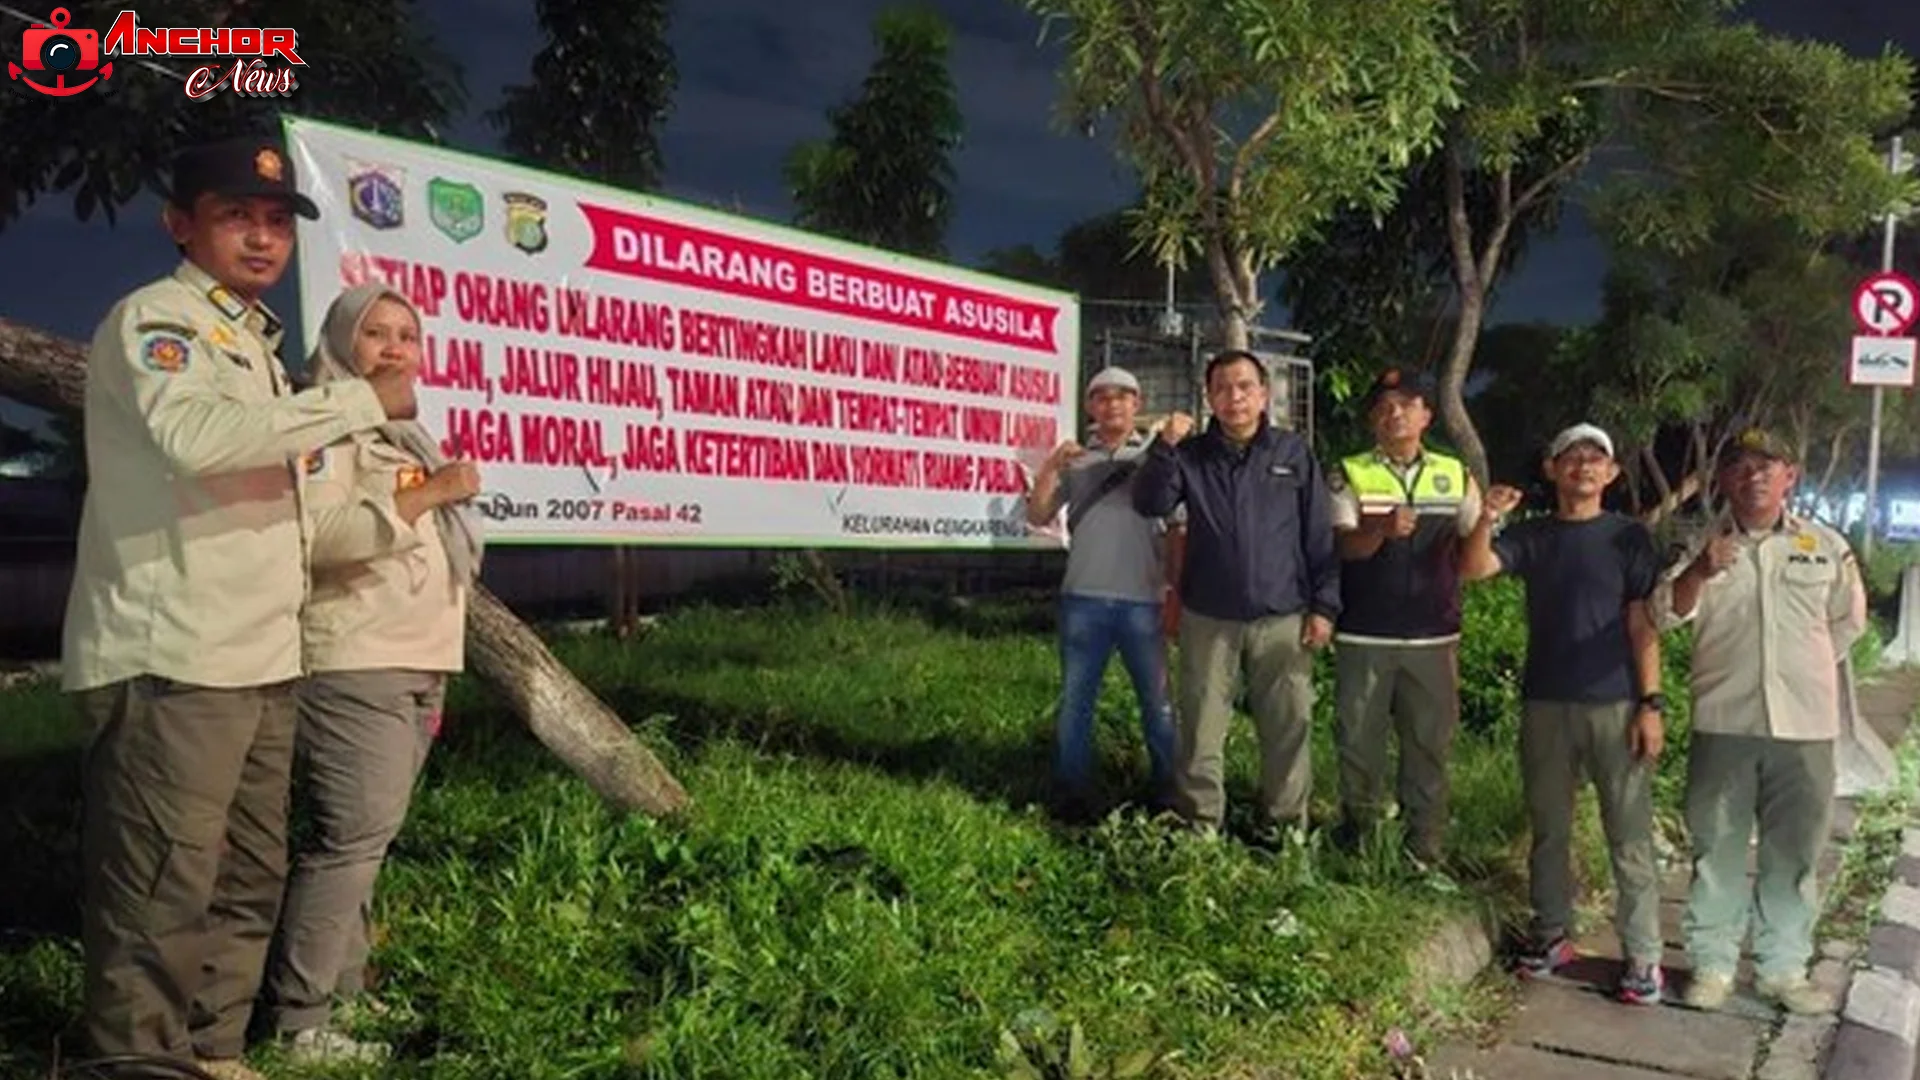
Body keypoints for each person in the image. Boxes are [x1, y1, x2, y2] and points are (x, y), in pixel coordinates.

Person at [61, 137, 416, 1080]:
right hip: (175, 653)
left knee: (245, 876)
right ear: (182, 224)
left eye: (273, 222)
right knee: (158, 891)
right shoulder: (156, 321)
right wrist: (353, 404)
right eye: (234, 216)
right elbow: (194, 437)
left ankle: (214, 1052)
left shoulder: (254, 347)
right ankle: (138, 1062)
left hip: (262, 658)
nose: (261, 238)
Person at [260, 283, 485, 1062]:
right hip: (354, 661)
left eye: (407, 336)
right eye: (376, 334)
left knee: (367, 840)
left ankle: (344, 998)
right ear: (340, 342)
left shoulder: (400, 436)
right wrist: (430, 498)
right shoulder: (322, 425)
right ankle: (300, 1024)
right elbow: (316, 537)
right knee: (347, 840)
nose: (395, 349)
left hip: (414, 661)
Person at [1652, 428, 1867, 1014]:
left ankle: (1782, 970)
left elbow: (1849, 623)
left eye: (1768, 466)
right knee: (1715, 849)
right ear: (1723, 480)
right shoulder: (1700, 542)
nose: (1755, 477)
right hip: (1725, 721)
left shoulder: (1825, 545)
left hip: (1805, 727)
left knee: (1794, 854)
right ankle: (1713, 967)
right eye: (1742, 467)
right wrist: (1700, 570)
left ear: (1790, 476)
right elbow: (1663, 614)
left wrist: (1805, 671)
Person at [1459, 423, 1667, 1006]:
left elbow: (1642, 624)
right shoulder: (1534, 535)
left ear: (1612, 473)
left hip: (1616, 702)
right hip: (1546, 702)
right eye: (1570, 457)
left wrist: (1651, 704)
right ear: (1552, 469)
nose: (1582, 466)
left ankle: (1643, 954)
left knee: (1628, 834)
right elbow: (1473, 569)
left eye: (1594, 458)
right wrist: (1485, 517)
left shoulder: (1629, 538)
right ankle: (1553, 934)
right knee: (1549, 829)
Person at [1132, 349, 1340, 839]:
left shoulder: (1293, 453)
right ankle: (1199, 830)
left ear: (1264, 394)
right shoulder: (1190, 455)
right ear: (1209, 398)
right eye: (1222, 388)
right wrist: (1163, 446)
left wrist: (1325, 607)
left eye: (1245, 386)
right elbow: (1150, 502)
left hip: (1283, 617)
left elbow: (1318, 537)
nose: (1234, 397)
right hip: (1209, 618)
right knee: (1201, 730)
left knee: (1288, 729)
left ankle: (1285, 833)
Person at [1328, 367, 1481, 865]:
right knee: (1358, 742)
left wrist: (1492, 517)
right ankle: (1362, 843)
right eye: (1385, 406)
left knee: (1430, 746)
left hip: (1434, 637)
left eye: (1407, 404)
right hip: (1363, 633)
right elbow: (1341, 547)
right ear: (1373, 419)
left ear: (1426, 415)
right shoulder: (1348, 471)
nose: (1395, 413)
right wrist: (1379, 528)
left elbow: (1472, 551)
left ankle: (1424, 850)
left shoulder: (1455, 473)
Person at [1025, 366, 1181, 823]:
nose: (1112, 405)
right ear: (1090, 407)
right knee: (1076, 701)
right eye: (1102, 397)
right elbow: (1037, 514)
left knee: (1158, 703)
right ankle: (1071, 790)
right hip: (1083, 599)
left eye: (1123, 397)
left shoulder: (1159, 458)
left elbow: (1176, 530)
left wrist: (1173, 589)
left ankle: (1169, 791)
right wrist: (1052, 466)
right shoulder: (1077, 462)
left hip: (1144, 601)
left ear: (1137, 404)